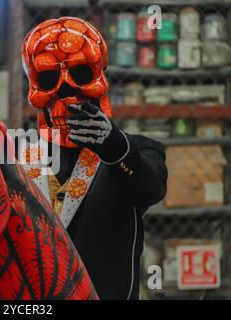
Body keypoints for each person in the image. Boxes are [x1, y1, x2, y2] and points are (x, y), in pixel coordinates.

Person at [21, 17, 168, 299]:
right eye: (49, 79)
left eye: (81, 74)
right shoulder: (17, 156)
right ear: (33, 86)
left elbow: (150, 188)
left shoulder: (138, 152)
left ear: (101, 76)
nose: (66, 94)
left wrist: (115, 148)